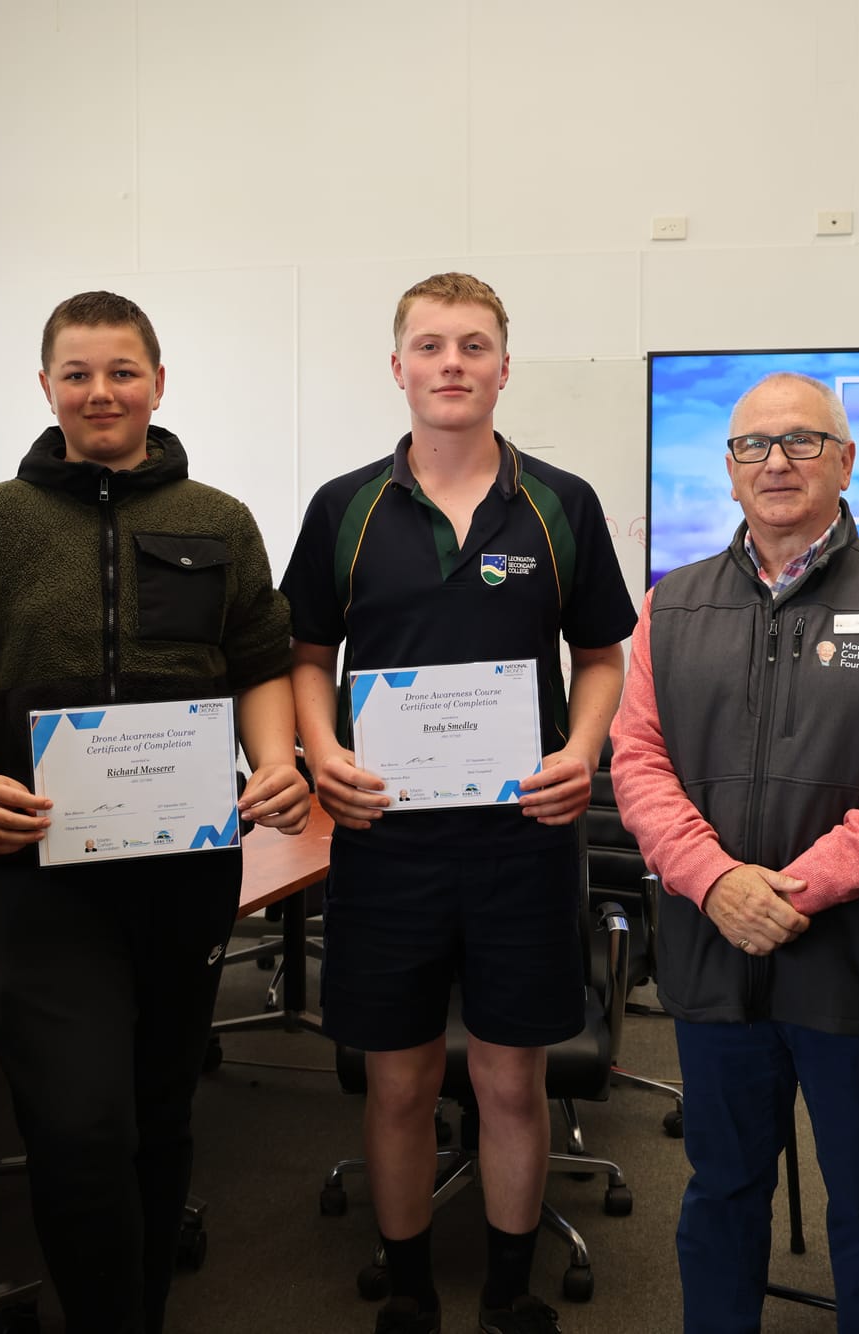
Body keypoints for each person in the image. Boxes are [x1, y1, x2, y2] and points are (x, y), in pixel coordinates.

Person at [0, 290, 310, 1334]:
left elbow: (259, 659)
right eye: (77, 372)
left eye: (121, 370)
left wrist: (274, 762)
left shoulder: (217, 518)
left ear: (158, 383)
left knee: (157, 1112)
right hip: (42, 882)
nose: (100, 391)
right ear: (44, 387)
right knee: (78, 1121)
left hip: (181, 880)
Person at [282, 272, 636, 1334]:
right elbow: (303, 655)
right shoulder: (342, 508)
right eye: (429, 345)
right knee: (392, 1084)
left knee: (509, 1082)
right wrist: (319, 749)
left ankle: (506, 1293)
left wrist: (579, 748)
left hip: (519, 841)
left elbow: (602, 652)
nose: (450, 363)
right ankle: (407, 1287)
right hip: (384, 839)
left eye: (472, 345)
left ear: (501, 366)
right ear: (396, 367)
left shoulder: (559, 502)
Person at [610, 373, 859, 1333]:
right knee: (719, 1188)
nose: (777, 461)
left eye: (802, 441)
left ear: (844, 460)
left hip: (850, 955)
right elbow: (637, 758)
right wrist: (714, 882)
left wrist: (796, 886)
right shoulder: (673, 605)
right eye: (755, 444)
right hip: (714, 956)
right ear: (729, 468)